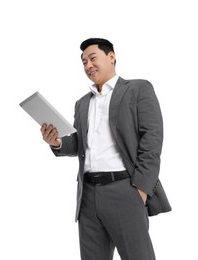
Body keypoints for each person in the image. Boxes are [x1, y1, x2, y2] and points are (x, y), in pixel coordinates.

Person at [41, 38, 171, 260]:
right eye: (83, 62)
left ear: (111, 57)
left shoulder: (138, 88)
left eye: (93, 58)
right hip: (88, 195)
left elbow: (152, 140)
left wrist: (140, 189)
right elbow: (80, 143)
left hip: (125, 189)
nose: (88, 66)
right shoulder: (82, 103)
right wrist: (57, 142)